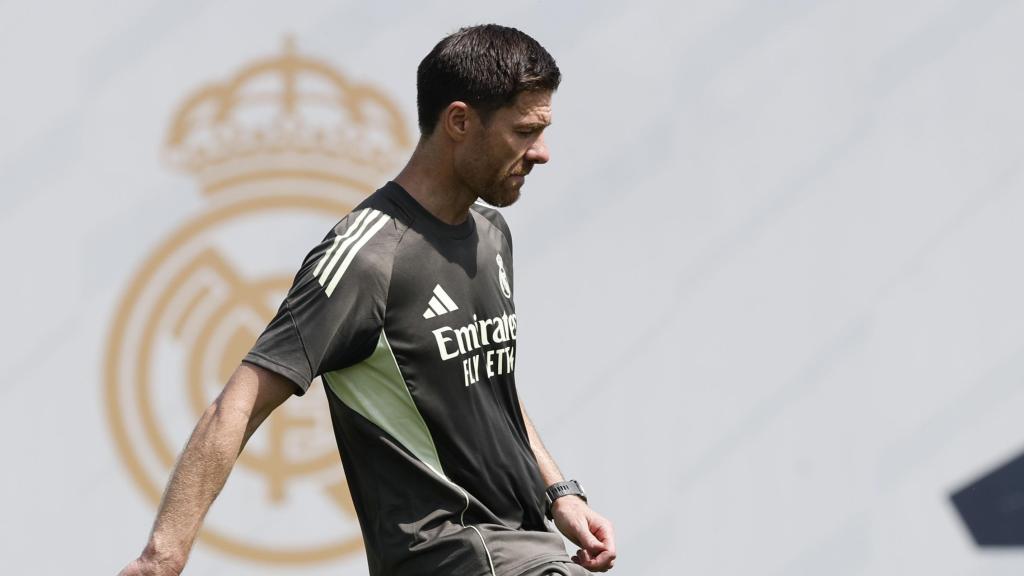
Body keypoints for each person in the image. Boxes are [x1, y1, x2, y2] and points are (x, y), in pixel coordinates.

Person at [119, 24, 616, 576]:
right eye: (525, 131)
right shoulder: (367, 258)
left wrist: (558, 493)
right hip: (455, 554)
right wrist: (162, 556)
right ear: (459, 121)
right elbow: (236, 404)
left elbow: (490, 390)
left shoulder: (492, 234)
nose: (541, 153)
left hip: (527, 546)